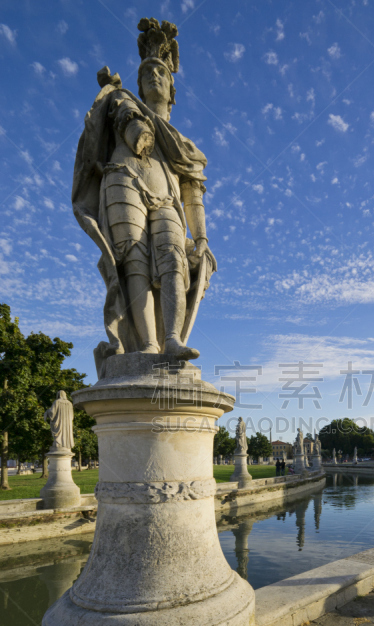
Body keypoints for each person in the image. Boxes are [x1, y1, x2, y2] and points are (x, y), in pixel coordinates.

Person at [73, 18, 216, 376]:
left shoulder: (183, 147)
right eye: (147, 73)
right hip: (122, 178)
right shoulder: (124, 102)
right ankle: (148, 345)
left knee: (173, 259)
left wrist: (200, 238)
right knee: (132, 258)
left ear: (172, 88)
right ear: (137, 84)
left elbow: (193, 195)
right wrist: (119, 103)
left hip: (166, 196)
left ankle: (171, 340)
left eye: (161, 73)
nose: (154, 77)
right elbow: (123, 129)